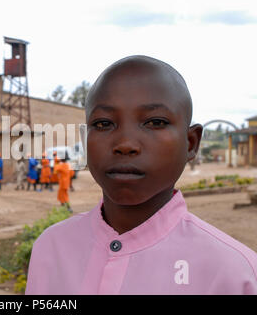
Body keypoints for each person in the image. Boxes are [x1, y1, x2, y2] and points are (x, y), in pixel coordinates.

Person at [26, 55, 257, 295]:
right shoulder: (51, 247)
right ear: (85, 141)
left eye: (155, 122)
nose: (125, 144)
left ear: (190, 143)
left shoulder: (236, 275)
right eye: (104, 124)